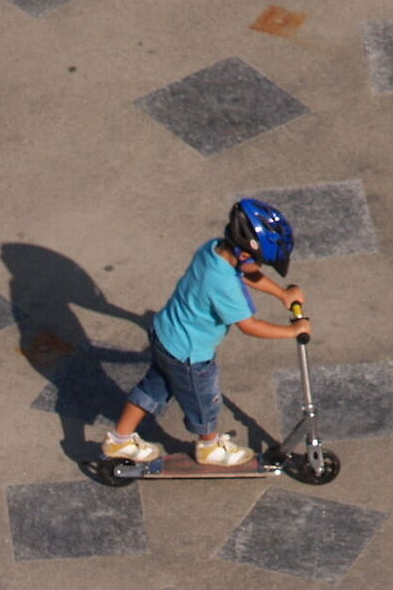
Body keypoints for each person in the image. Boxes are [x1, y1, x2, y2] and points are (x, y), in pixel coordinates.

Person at [104, 200, 309, 468]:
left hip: (166, 334)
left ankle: (119, 440)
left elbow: (247, 275)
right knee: (205, 401)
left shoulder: (214, 249)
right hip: (191, 354)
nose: (261, 267)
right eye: (261, 261)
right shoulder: (221, 282)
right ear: (245, 254)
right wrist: (293, 330)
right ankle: (209, 447)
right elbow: (249, 326)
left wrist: (282, 293)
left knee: (154, 388)